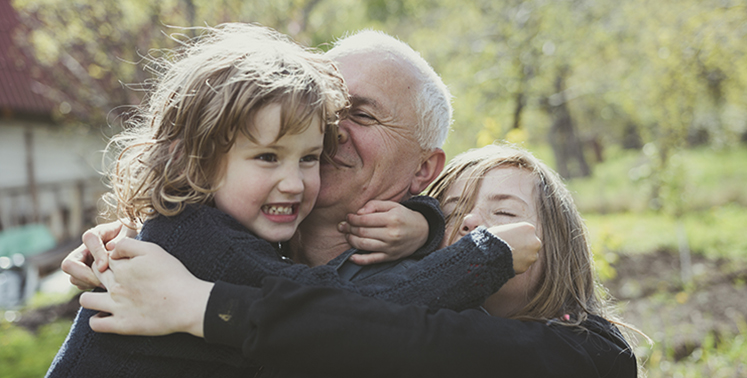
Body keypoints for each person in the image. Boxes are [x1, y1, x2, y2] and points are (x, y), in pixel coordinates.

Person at [52, 26, 541, 377]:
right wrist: (480, 253)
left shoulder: (462, 308)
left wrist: (433, 229)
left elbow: (341, 323)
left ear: (423, 171)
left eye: (361, 115)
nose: (329, 135)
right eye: (269, 153)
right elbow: (332, 316)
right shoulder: (193, 242)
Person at [76, 143, 639, 378]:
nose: (471, 223)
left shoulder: (590, 351)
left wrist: (197, 303)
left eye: (502, 212)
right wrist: (141, 244)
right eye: (457, 210)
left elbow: (395, 334)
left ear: (559, 241)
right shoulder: (401, 292)